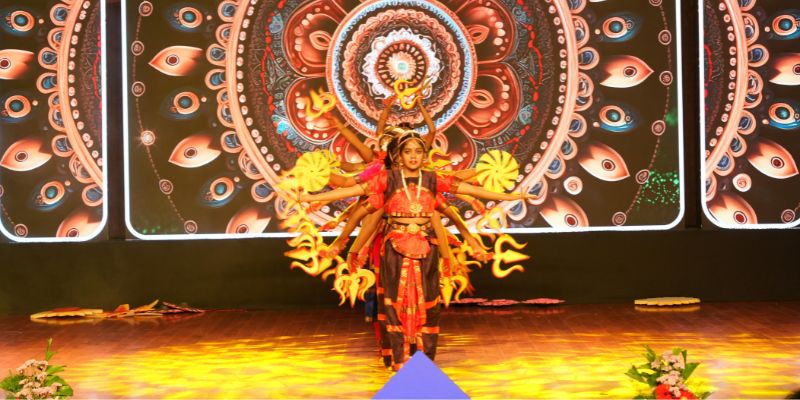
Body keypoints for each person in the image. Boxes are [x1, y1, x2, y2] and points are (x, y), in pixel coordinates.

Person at [297, 128, 531, 370]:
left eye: (418, 152)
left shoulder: (431, 179)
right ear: (399, 155)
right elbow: (351, 190)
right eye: (408, 152)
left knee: (428, 300)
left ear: (424, 155)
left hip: (426, 247)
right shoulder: (387, 178)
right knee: (395, 302)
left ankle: (424, 358)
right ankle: (399, 358)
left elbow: (470, 189)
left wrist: (512, 197)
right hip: (395, 247)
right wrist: (307, 200)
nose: (413, 156)